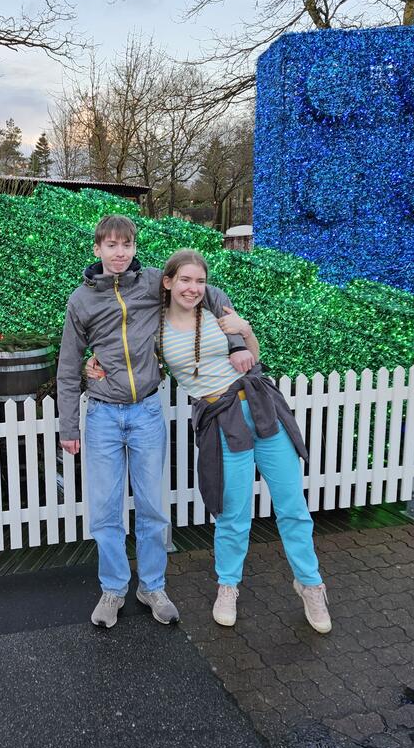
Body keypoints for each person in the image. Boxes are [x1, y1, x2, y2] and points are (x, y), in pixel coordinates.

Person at [90, 248, 331, 632]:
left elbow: (253, 359)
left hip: (262, 408)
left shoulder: (217, 313)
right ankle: (228, 586)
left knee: (292, 507)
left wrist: (246, 331)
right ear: (168, 282)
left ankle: (310, 584)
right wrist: (97, 362)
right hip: (222, 420)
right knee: (233, 513)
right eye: (185, 280)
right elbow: (126, 351)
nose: (193, 288)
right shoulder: (156, 329)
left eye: (200, 281)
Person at [56, 216, 254, 629]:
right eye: (111, 245)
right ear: (97, 249)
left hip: (146, 411)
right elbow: (70, 365)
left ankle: (152, 587)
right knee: (105, 512)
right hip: (103, 415)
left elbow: (209, 293)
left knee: (152, 508)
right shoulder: (81, 300)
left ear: (134, 247)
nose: (119, 252)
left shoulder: (151, 282)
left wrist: (237, 341)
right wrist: (69, 427)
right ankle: (113, 589)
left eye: (126, 244)